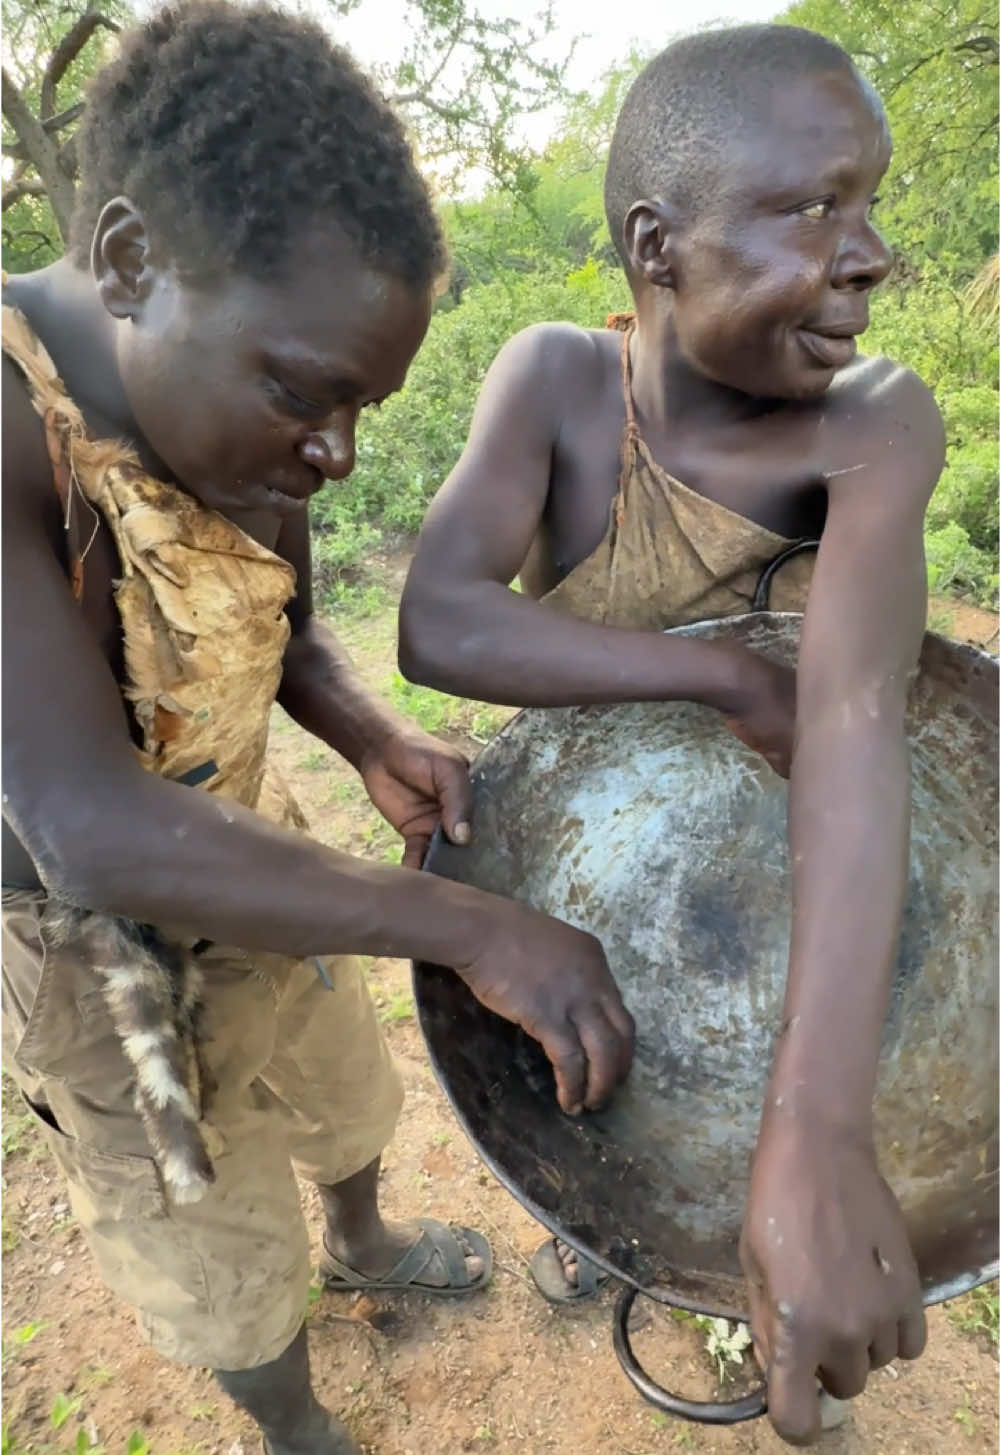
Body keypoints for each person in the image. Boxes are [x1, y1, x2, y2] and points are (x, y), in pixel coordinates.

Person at [1, 6, 636, 1454]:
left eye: (365, 410)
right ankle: (289, 1424)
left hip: (248, 846)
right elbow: (85, 824)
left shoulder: (251, 398)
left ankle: (364, 1241)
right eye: (308, 395)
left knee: (338, 1085)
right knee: (205, 1220)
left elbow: (271, 614)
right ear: (126, 264)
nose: (336, 453)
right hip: (90, 946)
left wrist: (360, 733)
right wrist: (470, 928)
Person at [400, 23, 944, 1448]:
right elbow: (439, 624)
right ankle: (611, 1238)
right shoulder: (560, 387)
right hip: (594, 868)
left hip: (792, 864)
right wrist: (714, 680)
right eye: (811, 206)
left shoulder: (870, 425)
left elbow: (852, 718)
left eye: (867, 200)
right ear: (657, 246)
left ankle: (788, 1249)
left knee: (790, 1104)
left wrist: (822, 1137)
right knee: (612, 1106)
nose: (868, 250)